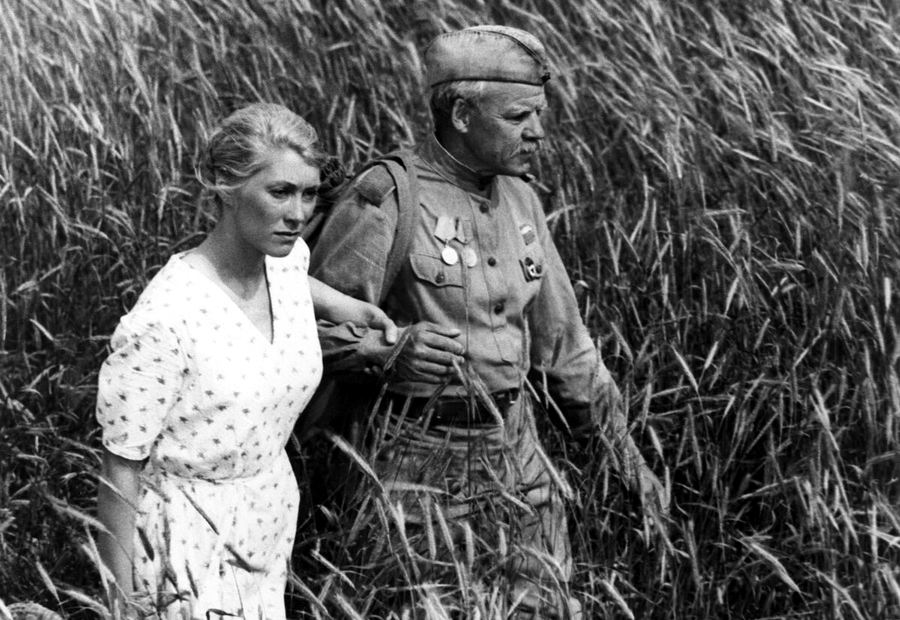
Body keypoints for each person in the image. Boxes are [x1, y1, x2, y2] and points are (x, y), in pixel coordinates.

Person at [309, 26, 666, 618]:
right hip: (412, 462)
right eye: (518, 116)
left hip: (518, 453)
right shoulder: (387, 197)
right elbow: (302, 325)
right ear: (461, 114)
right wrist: (385, 354)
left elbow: (564, 346)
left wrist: (626, 459)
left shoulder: (522, 199)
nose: (538, 131)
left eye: (539, 113)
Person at [95, 103, 397, 620]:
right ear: (225, 186)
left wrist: (348, 307)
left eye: (308, 194)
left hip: (268, 520)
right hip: (184, 546)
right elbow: (119, 471)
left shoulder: (283, 258)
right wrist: (119, 605)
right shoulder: (165, 321)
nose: (298, 214)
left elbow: (295, 279)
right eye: (279, 192)